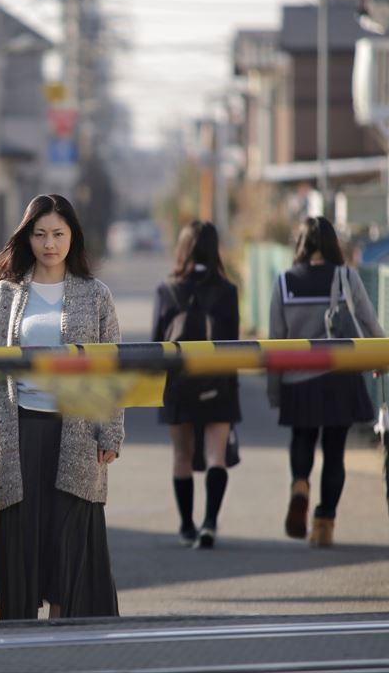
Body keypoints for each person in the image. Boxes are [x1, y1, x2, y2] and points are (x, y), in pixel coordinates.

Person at [0, 193, 124, 620]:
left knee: (69, 536)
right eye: (40, 234)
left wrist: (110, 433)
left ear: (73, 236)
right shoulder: (5, 294)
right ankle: (20, 639)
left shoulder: (96, 295)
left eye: (58, 234)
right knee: (19, 536)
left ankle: (63, 631)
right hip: (16, 430)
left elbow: (111, 370)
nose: (49, 244)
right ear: (27, 237)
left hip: (76, 431)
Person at [268, 216, 384, 547]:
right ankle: (324, 523)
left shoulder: (284, 283)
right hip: (340, 379)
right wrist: (382, 359)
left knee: (302, 439)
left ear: (301, 245)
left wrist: (275, 391)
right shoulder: (346, 277)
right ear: (333, 244)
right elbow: (370, 323)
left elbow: (275, 343)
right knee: (335, 454)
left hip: (297, 380)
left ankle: (300, 484)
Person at [151, 220, 241, 549]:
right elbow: (234, 343)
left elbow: (156, 343)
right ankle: (210, 523)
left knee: (182, 455)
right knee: (216, 454)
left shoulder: (167, 290)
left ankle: (187, 525)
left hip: (178, 384)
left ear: (183, 248)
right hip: (219, 382)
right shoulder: (228, 291)